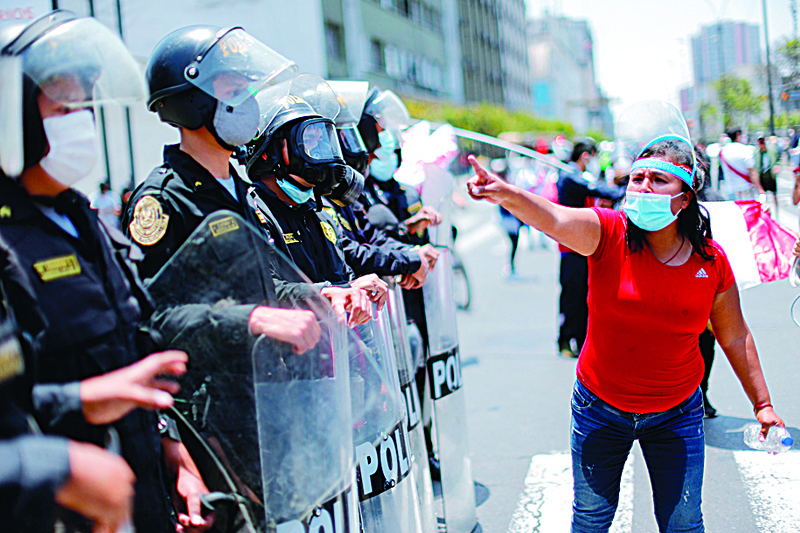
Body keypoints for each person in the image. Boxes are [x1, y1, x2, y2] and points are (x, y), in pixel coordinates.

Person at [467, 132, 784, 533]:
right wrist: (505, 193)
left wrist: (763, 405)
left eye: (658, 180)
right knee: (591, 521)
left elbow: (734, 335)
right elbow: (555, 217)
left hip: (678, 415)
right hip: (599, 409)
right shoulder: (607, 232)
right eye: (638, 178)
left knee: (684, 524)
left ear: (685, 197)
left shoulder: (711, 260)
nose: (644, 187)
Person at [0, 12, 211, 532]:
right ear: (13, 118)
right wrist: (86, 400)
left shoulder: (87, 224)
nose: (82, 121)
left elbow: (134, 357)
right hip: (60, 507)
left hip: (141, 500)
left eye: (86, 105)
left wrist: (174, 453)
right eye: (63, 106)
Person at [555, 141, 625, 357]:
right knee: (572, 296)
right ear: (585, 155)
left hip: (584, 244)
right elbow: (594, 188)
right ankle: (565, 340)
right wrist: (621, 190)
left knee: (585, 296)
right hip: (571, 245)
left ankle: (581, 340)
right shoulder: (570, 175)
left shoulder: (578, 174)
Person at [720, 127, 763, 200]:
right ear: (738, 135)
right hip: (746, 189)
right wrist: (760, 190)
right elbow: (752, 172)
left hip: (729, 189)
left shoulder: (723, 151)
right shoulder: (746, 149)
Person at [754, 134, 779, 214]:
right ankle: (764, 213)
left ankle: (777, 213)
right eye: (760, 142)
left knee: (774, 195)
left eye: (763, 142)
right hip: (762, 177)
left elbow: (778, 160)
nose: (762, 145)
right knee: (762, 196)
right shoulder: (756, 153)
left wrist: (777, 166)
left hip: (770, 176)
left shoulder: (772, 151)